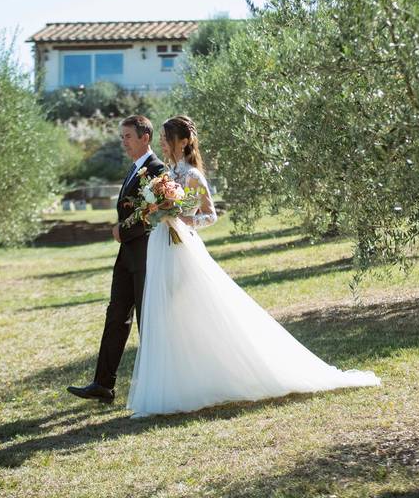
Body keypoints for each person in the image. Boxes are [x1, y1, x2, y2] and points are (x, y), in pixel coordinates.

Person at [125, 115, 380, 418]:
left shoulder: (192, 175)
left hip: (182, 249)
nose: (163, 144)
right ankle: (179, 382)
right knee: (169, 314)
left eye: (167, 138)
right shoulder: (166, 174)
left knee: (190, 311)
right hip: (162, 246)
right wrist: (155, 210)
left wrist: (183, 219)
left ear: (181, 141)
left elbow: (210, 215)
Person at [67, 115, 166, 404]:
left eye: (128, 137)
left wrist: (121, 230)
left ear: (144, 137)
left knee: (146, 320)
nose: (123, 142)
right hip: (127, 257)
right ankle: (103, 384)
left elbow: (154, 214)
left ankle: (156, 385)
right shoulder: (134, 168)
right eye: (122, 137)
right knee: (116, 317)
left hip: (145, 255)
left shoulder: (157, 169)